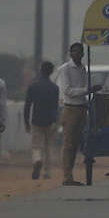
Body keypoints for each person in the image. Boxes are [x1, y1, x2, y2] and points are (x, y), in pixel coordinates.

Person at [54, 43, 90, 186]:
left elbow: (84, 89)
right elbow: (68, 90)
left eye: (79, 51)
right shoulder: (65, 69)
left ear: (82, 54)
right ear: (70, 53)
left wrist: (87, 91)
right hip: (70, 109)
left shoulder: (83, 69)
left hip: (81, 108)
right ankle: (66, 176)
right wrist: (87, 90)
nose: (77, 54)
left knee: (75, 144)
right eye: (74, 51)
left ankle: (70, 175)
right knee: (68, 144)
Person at [23, 59, 61, 181]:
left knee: (36, 146)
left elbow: (27, 105)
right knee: (48, 146)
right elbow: (55, 106)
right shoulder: (54, 88)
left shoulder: (33, 87)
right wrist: (55, 121)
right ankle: (47, 172)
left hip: (36, 120)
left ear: (41, 71)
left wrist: (26, 122)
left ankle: (37, 160)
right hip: (50, 121)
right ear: (51, 72)